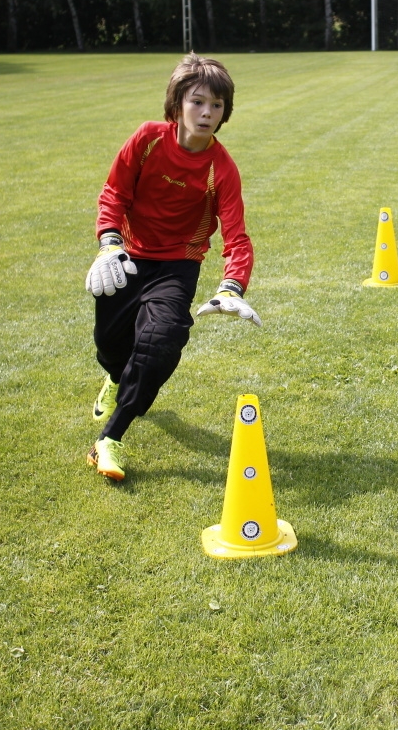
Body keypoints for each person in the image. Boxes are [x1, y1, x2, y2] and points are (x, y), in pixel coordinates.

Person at [84, 54, 261, 482]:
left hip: (176, 267)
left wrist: (232, 287)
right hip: (126, 259)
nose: (207, 113)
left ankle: (109, 440)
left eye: (217, 105)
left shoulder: (223, 168)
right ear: (177, 103)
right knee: (110, 345)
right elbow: (114, 193)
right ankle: (114, 375)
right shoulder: (146, 139)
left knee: (161, 343)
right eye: (198, 101)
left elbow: (237, 236)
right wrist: (109, 243)